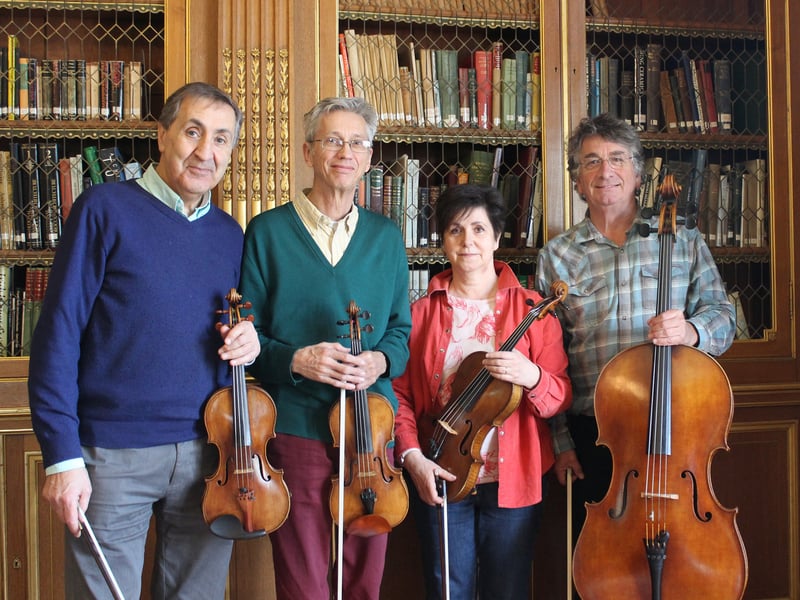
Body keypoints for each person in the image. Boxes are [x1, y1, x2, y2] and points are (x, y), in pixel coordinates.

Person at [28, 82, 260, 599]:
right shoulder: (102, 208)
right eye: (193, 132)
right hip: (111, 455)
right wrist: (62, 457)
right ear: (162, 135)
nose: (205, 151)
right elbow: (58, 335)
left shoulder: (230, 234)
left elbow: (234, 329)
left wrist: (251, 340)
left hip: (209, 457)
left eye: (221, 139)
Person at [238, 96, 412, 600]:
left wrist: (380, 359)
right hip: (296, 427)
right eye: (333, 140)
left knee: (364, 579)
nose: (345, 152)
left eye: (357, 143)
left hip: (371, 430)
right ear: (308, 151)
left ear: (370, 157)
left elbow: (400, 332)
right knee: (303, 580)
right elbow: (248, 339)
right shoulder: (267, 232)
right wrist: (296, 359)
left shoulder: (386, 237)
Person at [535, 112, 736, 543]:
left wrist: (690, 331)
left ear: (639, 174)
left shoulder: (681, 239)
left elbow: (724, 317)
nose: (605, 171)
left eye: (617, 158)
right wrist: (561, 442)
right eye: (591, 161)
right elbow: (548, 360)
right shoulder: (556, 256)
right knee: (601, 556)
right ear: (577, 180)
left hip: (675, 426)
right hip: (595, 432)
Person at [392, 183, 573, 600]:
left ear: (496, 237)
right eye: (455, 230)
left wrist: (532, 376)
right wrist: (412, 456)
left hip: (513, 478)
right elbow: (398, 395)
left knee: (507, 591)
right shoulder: (419, 313)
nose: (467, 241)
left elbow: (561, 395)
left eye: (478, 229)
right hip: (441, 469)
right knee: (447, 590)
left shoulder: (533, 310)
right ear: (443, 240)